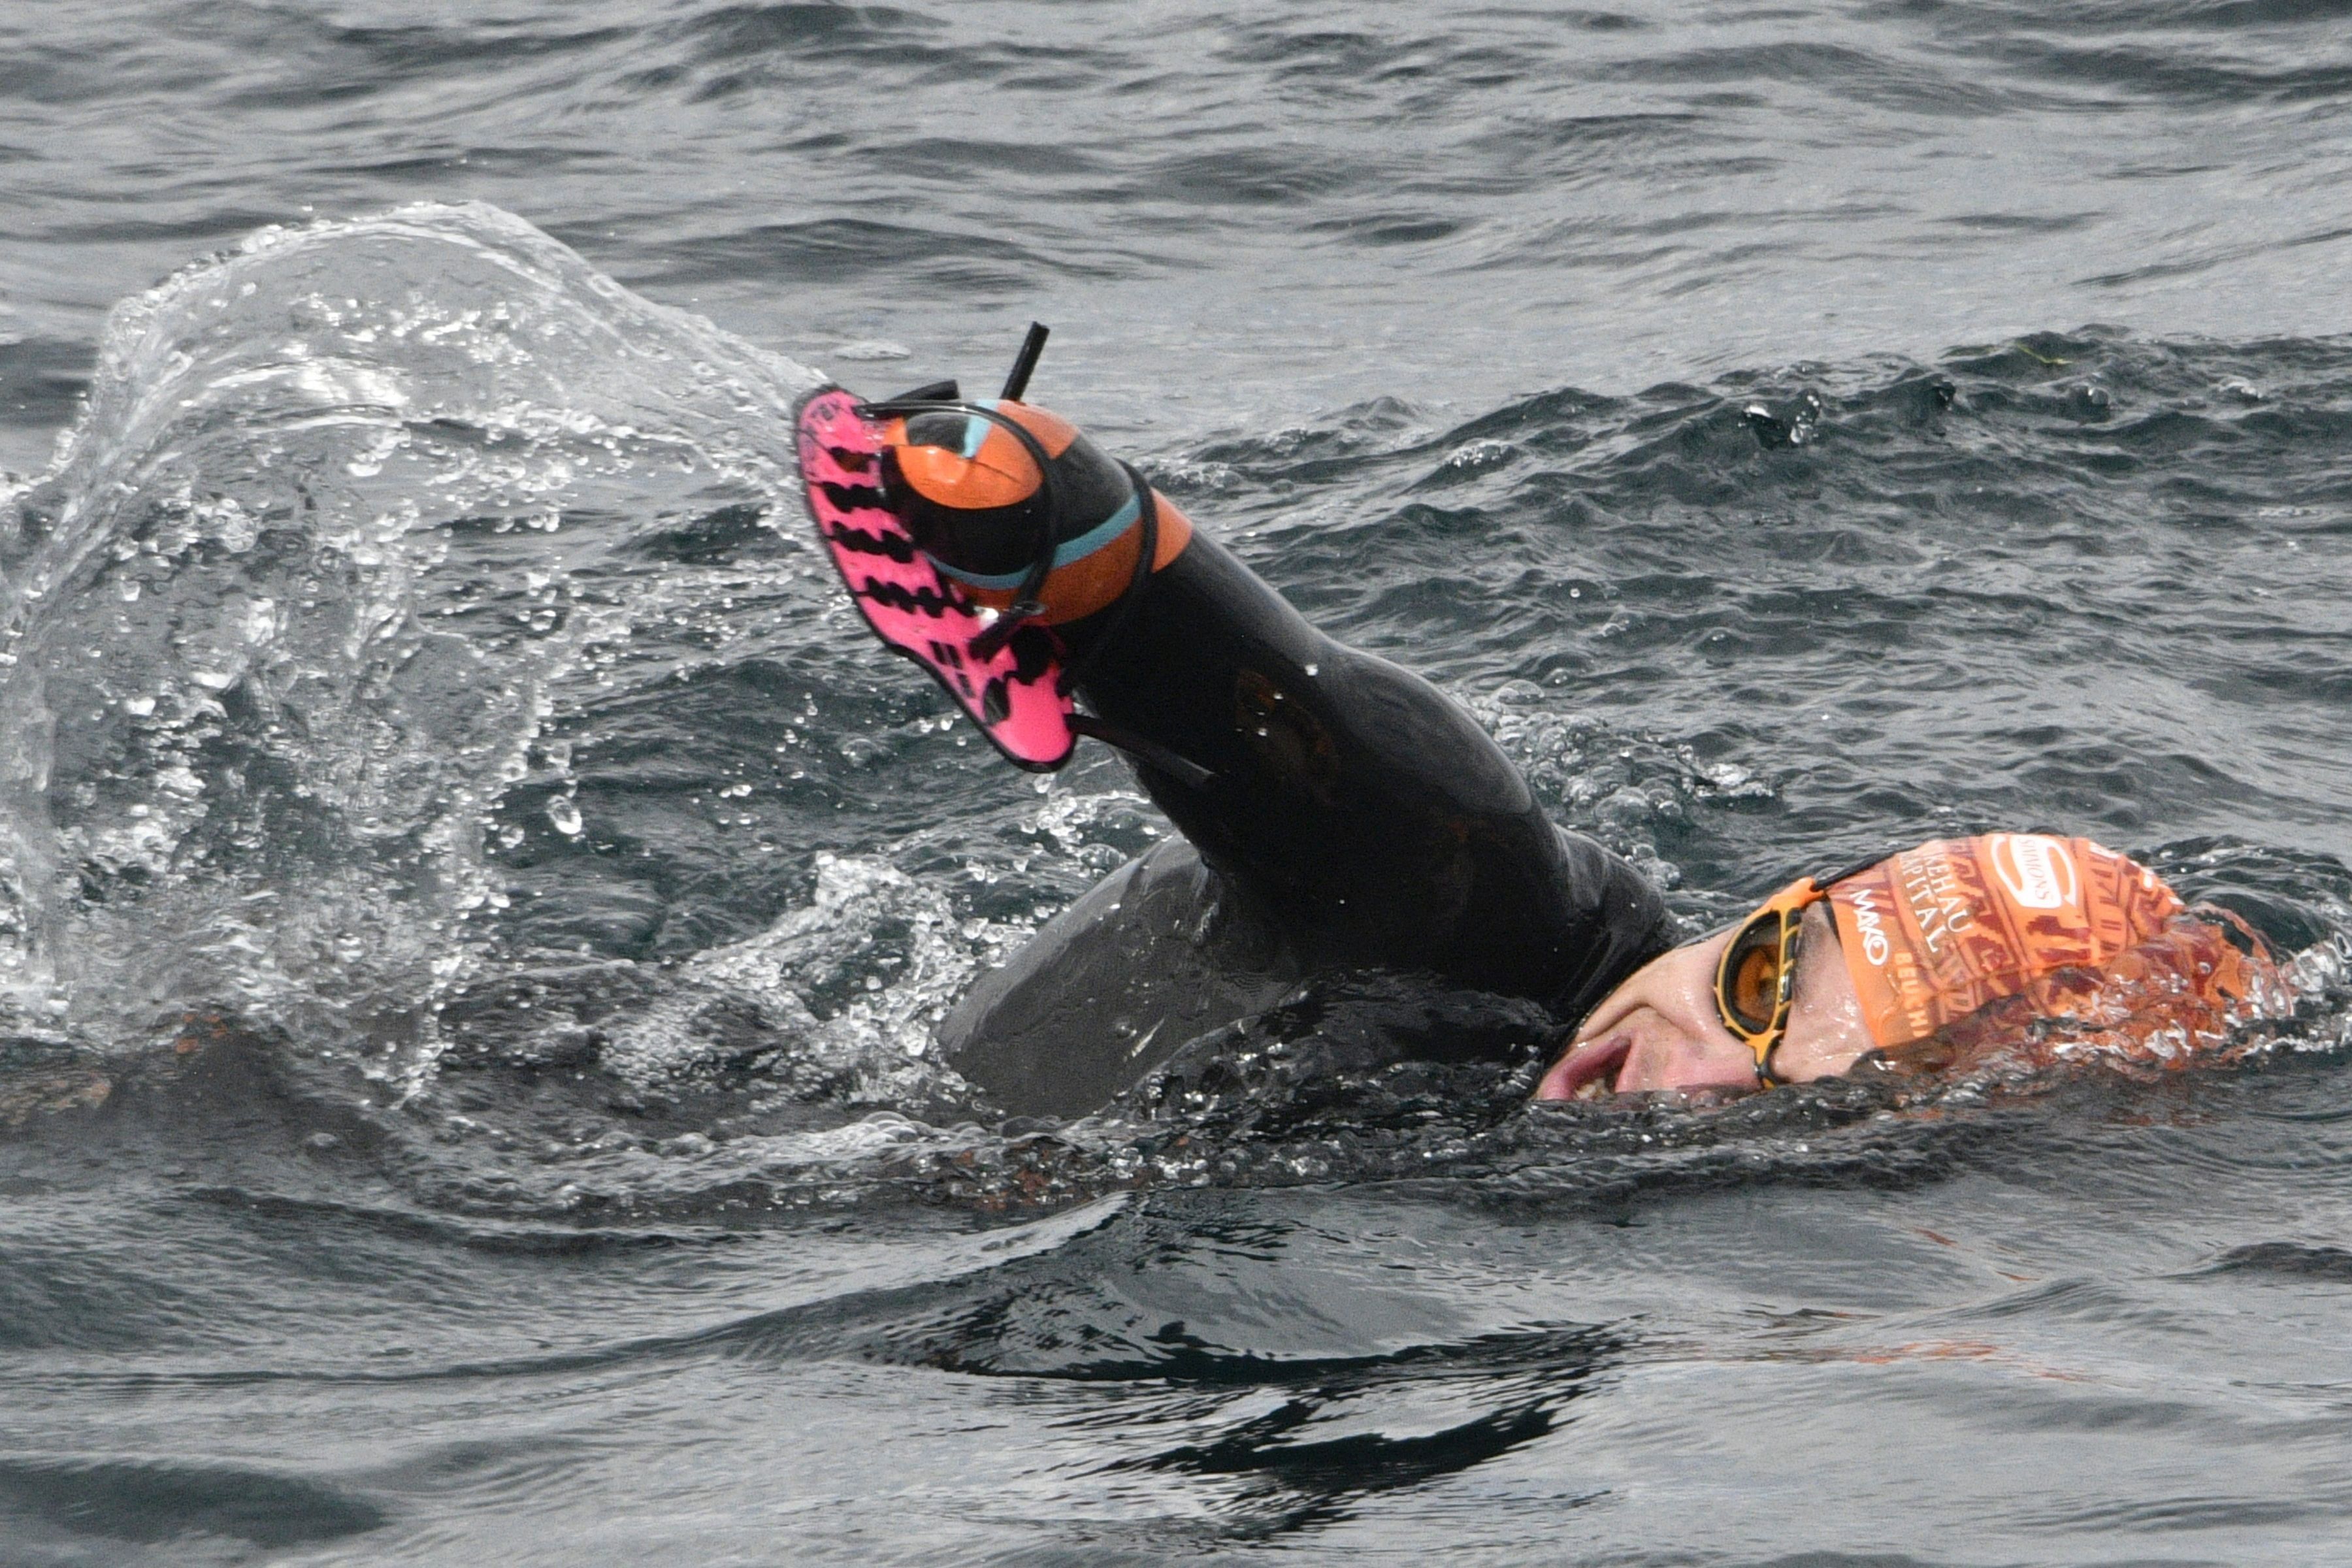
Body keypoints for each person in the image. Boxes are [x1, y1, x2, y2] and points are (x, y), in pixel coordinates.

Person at [795, 350, 2290, 1120]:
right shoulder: (1498, 910)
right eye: (1757, 988)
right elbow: (1320, 746)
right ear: (1765, 913)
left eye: (1792, 1115)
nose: (1694, 1080)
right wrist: (1085, 547)